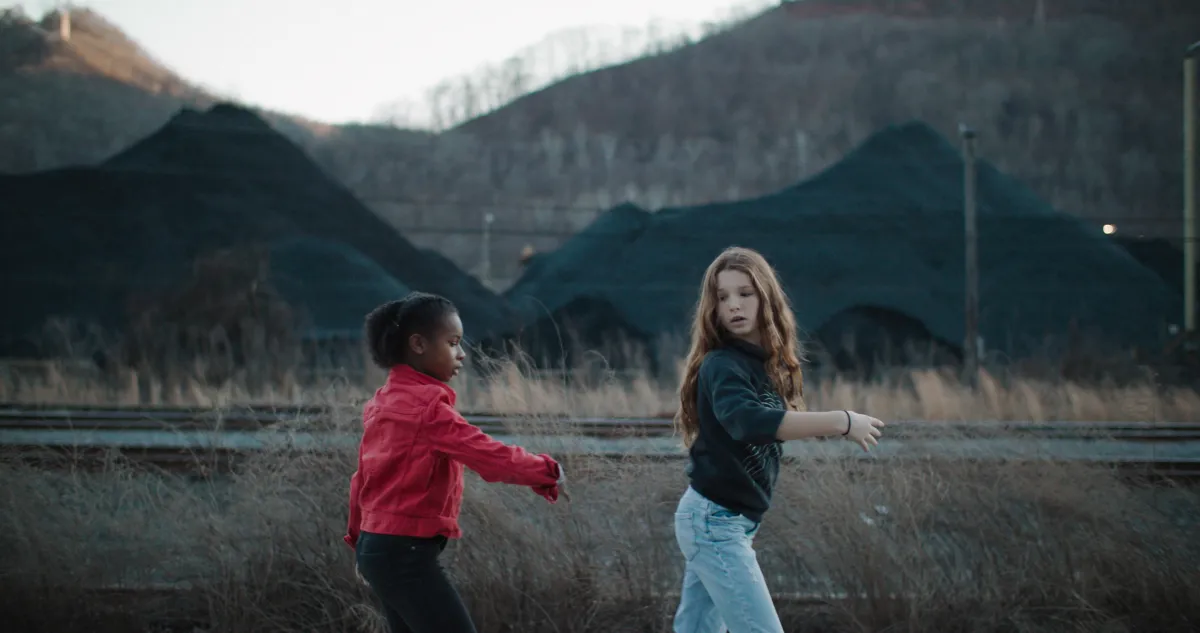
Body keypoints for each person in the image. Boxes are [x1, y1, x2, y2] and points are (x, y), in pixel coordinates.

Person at [670, 246, 886, 633]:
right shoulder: (723, 365)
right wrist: (840, 421)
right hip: (714, 522)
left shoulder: (760, 365)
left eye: (745, 293)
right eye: (723, 297)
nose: (733, 305)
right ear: (713, 308)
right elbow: (747, 422)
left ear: (765, 298)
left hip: (725, 521)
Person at [343, 291, 567, 633]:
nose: (462, 354)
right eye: (452, 343)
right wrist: (545, 470)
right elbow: (487, 454)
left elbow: (363, 479)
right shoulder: (428, 410)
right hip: (404, 555)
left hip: (378, 547)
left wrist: (359, 540)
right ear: (418, 344)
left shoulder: (384, 401)